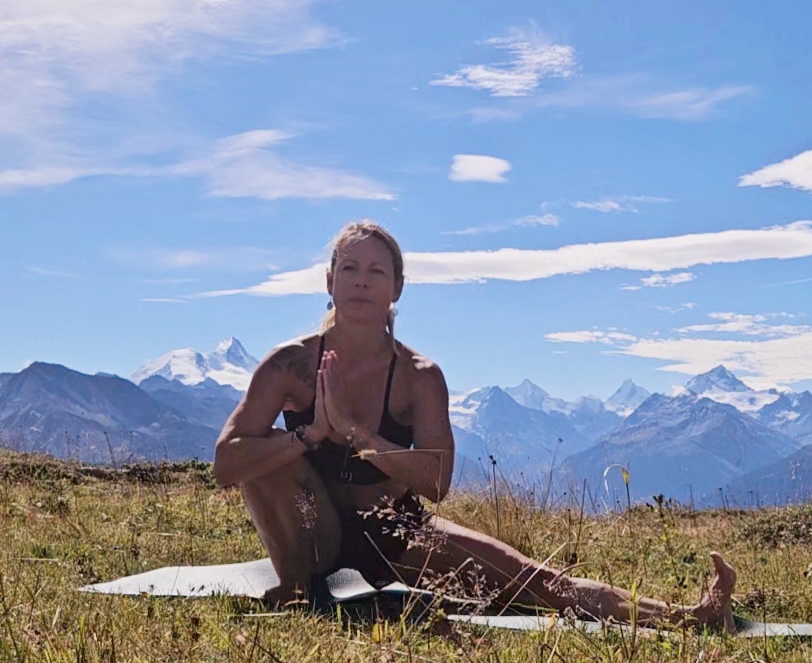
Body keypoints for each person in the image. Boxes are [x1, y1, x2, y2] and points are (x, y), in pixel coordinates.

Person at [214, 220, 736, 628]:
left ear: (396, 288)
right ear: (330, 282)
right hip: (310, 532)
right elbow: (226, 463)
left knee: (536, 582)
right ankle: (299, 587)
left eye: (376, 272)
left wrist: (358, 436)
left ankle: (685, 618)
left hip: (397, 533)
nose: (361, 282)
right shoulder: (289, 366)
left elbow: (437, 484)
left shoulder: (419, 377)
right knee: (267, 459)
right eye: (350, 269)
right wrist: (309, 436)